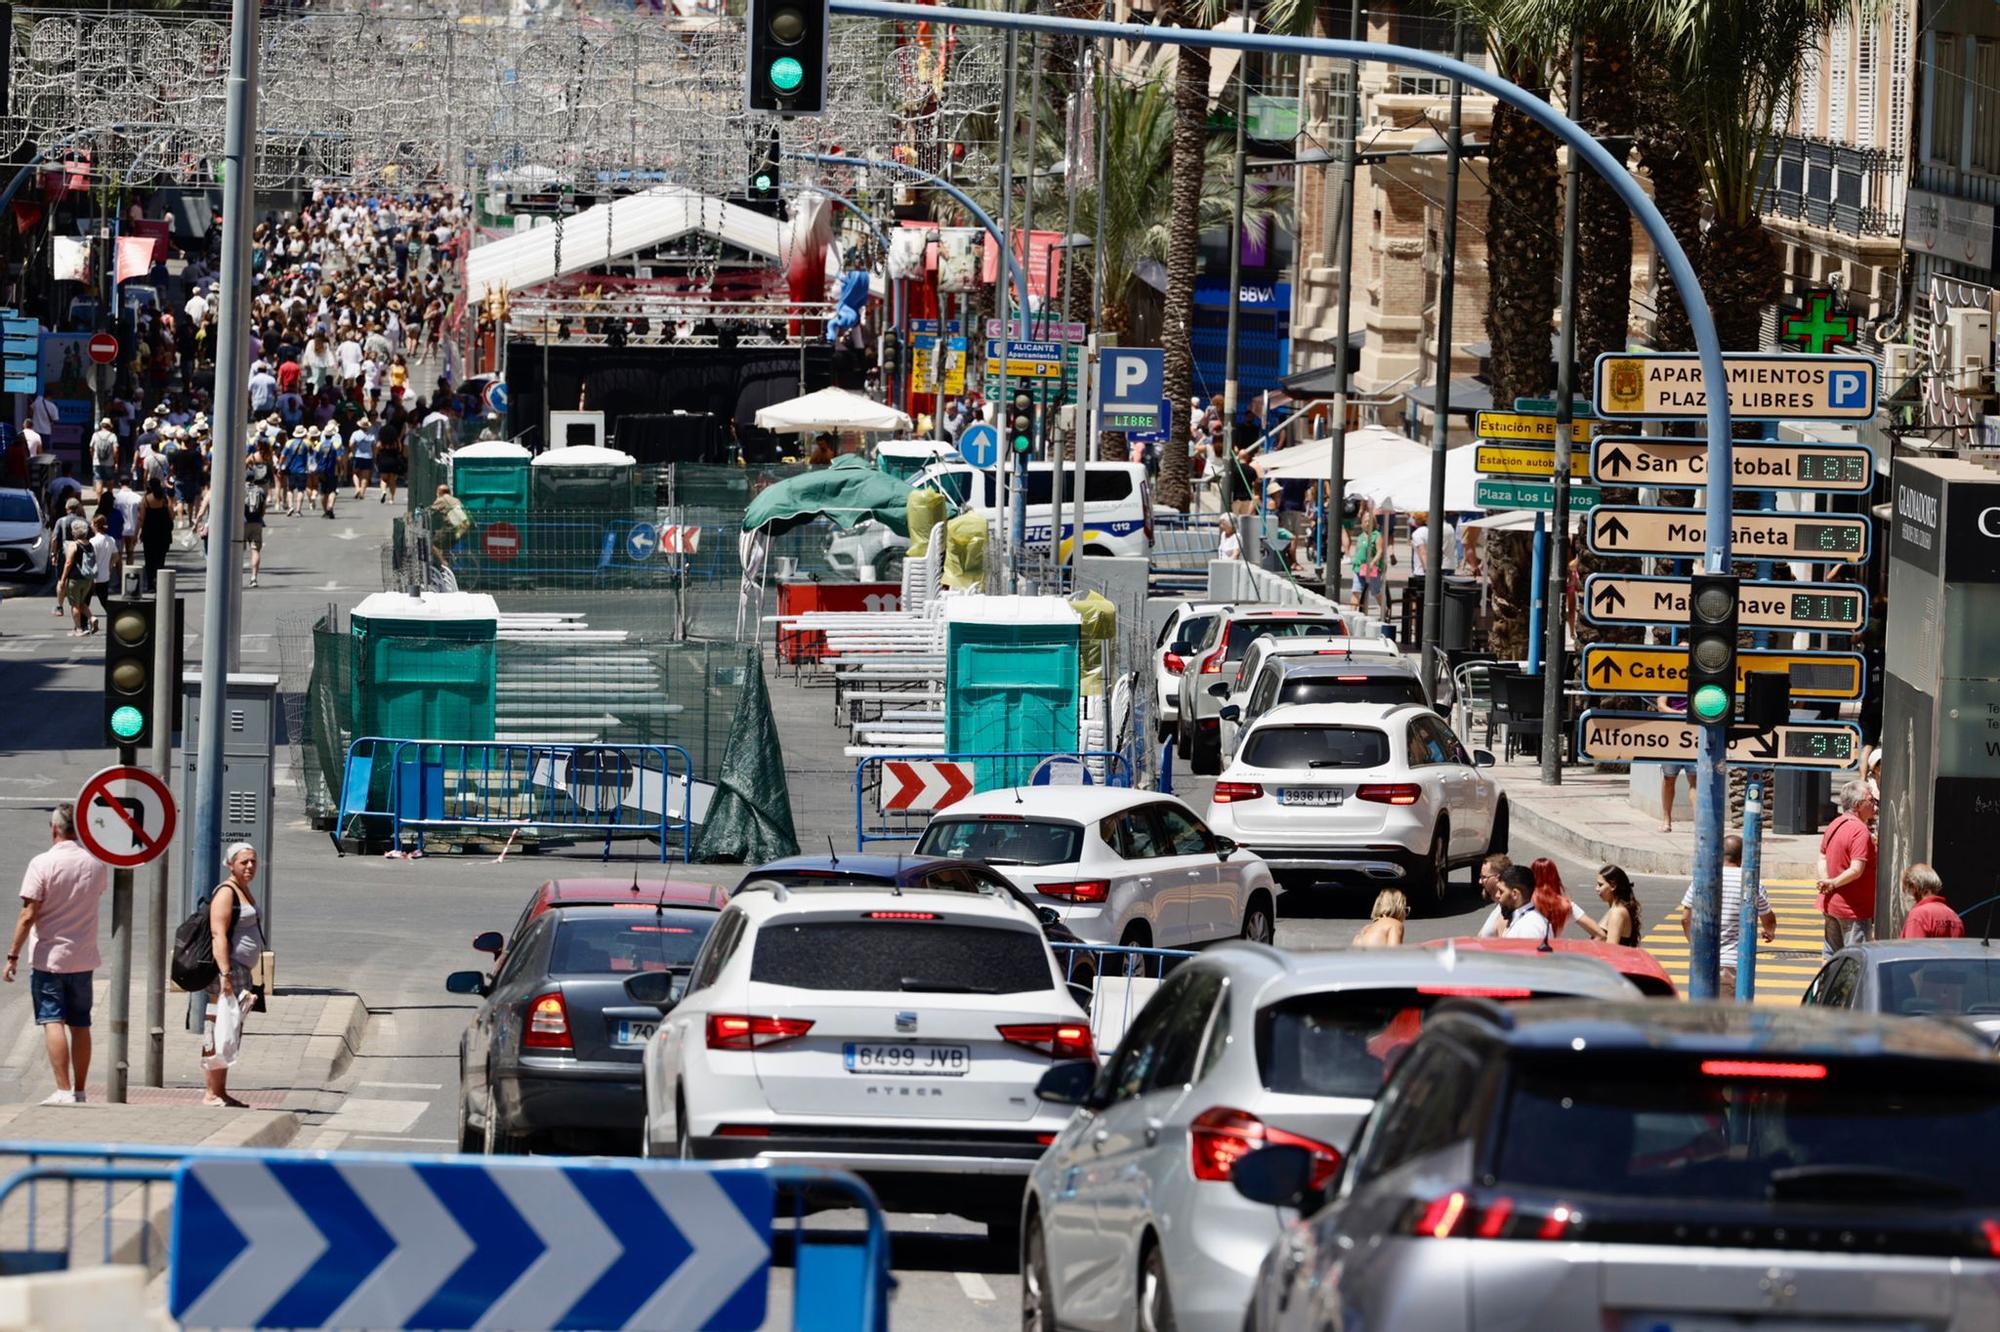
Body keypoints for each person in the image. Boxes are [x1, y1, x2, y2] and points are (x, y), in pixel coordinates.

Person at [5, 804, 109, 1104]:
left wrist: (12, 956)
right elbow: (97, 892)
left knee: (52, 1020)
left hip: (50, 958)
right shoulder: (95, 863)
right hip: (84, 957)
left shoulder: (42, 864)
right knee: (81, 1024)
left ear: (54, 829)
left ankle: (62, 1090)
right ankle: (80, 1090)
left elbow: (28, 914)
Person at [203, 843, 266, 1109]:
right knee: (219, 1029)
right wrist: (225, 975)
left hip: (241, 970)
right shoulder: (227, 892)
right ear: (231, 865)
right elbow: (218, 934)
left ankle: (220, 1091)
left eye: (253, 861)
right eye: (244, 863)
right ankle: (211, 1092)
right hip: (229, 971)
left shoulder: (243, 889)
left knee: (230, 1030)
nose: (250, 866)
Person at [1680, 834, 1775, 994]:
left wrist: (1695, 945)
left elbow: (1685, 919)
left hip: (1705, 959)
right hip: (1735, 962)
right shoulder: (1751, 882)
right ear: (1742, 857)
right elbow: (1768, 919)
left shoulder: (1703, 879)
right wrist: (1769, 932)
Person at [1816, 780, 1878, 957]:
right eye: (1871, 800)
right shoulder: (1860, 830)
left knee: (1831, 956)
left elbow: (1822, 856)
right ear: (1858, 805)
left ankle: (1825, 986)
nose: (1874, 804)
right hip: (1853, 909)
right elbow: (1856, 869)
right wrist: (1833, 883)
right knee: (1856, 960)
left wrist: (1826, 880)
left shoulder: (1835, 824)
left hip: (1831, 904)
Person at [1507, 859, 1574, 941]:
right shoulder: (1566, 903)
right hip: (1552, 944)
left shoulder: (1528, 899)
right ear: (1554, 875)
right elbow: (1594, 930)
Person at [55, 505, 97, 636]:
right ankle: (92, 618)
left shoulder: (74, 545)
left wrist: (62, 579)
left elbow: (68, 563)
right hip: (87, 579)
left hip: (74, 579)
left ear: (74, 532)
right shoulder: (89, 544)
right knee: (81, 602)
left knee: (74, 605)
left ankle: (78, 629)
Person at [1578, 864, 1643, 947]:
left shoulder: (1617, 913)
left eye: (1600, 885)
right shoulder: (1615, 909)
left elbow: (1611, 950)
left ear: (1613, 886)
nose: (1596, 889)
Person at [1898, 863, 1964, 939]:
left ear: (1914, 887)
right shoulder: (1954, 917)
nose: (1908, 894)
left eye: (1907, 889)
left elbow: (1913, 949)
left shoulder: (1918, 915)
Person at [1350, 506, 1386, 616]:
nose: (1367, 523)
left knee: (1376, 591)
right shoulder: (1361, 536)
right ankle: (1351, 612)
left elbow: (1380, 551)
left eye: (1369, 521)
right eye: (1365, 521)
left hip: (1372, 568)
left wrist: (1373, 562)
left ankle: (1384, 609)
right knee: (1356, 590)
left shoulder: (1377, 535)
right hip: (1359, 568)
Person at [139, 478, 172, 592]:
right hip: (163, 533)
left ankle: (150, 584)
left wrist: (137, 533)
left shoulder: (146, 499)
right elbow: (170, 514)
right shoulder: (163, 498)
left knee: (149, 560)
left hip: (149, 533)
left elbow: (141, 518)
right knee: (160, 559)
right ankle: (159, 582)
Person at [1484, 864, 1534, 937]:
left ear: (1515, 894)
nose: (1497, 895)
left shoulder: (1529, 927)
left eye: (1501, 891)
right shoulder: (1519, 919)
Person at [242, 454, 269, 587]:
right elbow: (263, 508)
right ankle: (254, 577)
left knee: (237, 551)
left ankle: (235, 576)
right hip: (256, 522)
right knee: (255, 550)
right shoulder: (260, 491)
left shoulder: (239, 490)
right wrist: (260, 518)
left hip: (242, 523)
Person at [86, 514, 118, 621]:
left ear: (95, 525)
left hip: (93, 576)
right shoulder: (111, 540)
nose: (90, 525)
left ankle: (84, 623)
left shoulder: (92, 541)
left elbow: (90, 559)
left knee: (85, 600)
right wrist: (110, 566)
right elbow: (116, 556)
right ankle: (115, 617)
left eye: (91, 523)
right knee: (104, 600)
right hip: (105, 575)